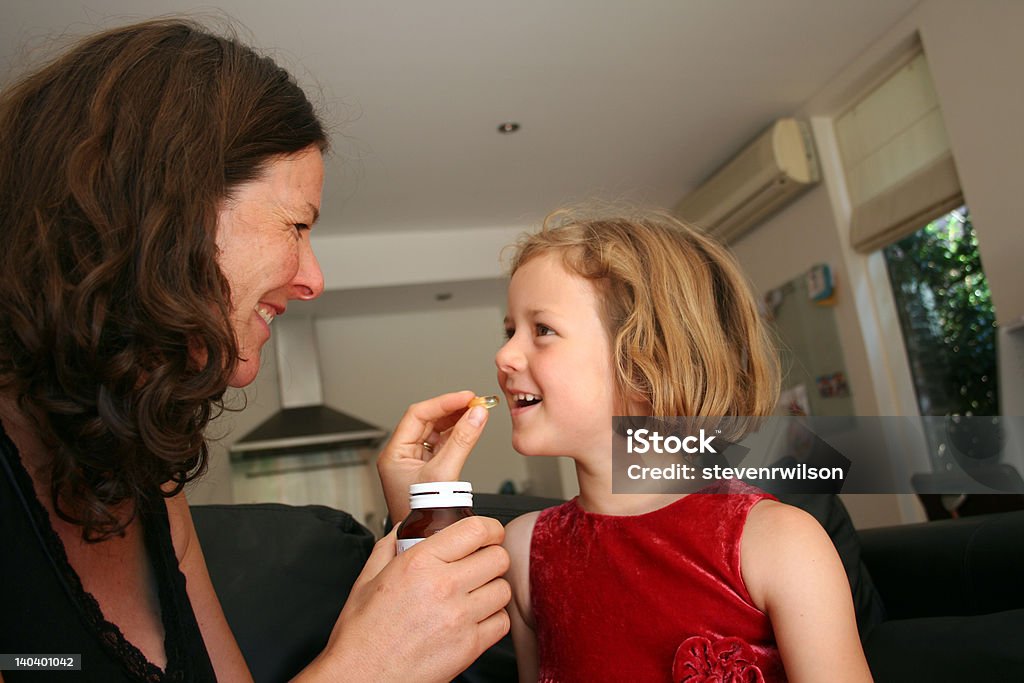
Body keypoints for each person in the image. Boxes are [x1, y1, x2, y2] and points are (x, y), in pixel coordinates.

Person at [0, 19, 509, 683]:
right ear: (168, 206)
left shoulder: (148, 482)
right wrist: (362, 668)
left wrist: (420, 529)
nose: (314, 278)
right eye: (296, 225)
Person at [494, 209, 873, 681]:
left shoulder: (779, 543)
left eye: (542, 331)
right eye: (510, 331)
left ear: (645, 362)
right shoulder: (525, 551)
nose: (505, 355)